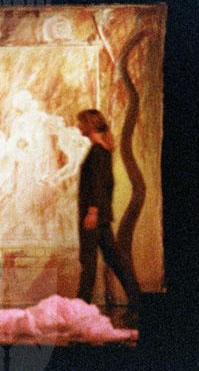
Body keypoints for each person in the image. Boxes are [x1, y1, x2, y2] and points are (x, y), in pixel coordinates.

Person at [75, 109, 140, 311]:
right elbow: (103, 184)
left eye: (80, 122)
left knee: (88, 261)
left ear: (89, 125)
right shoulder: (103, 151)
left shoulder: (97, 152)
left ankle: (80, 307)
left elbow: (98, 184)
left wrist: (92, 212)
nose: (78, 126)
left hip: (94, 215)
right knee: (114, 258)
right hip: (101, 215)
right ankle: (137, 298)